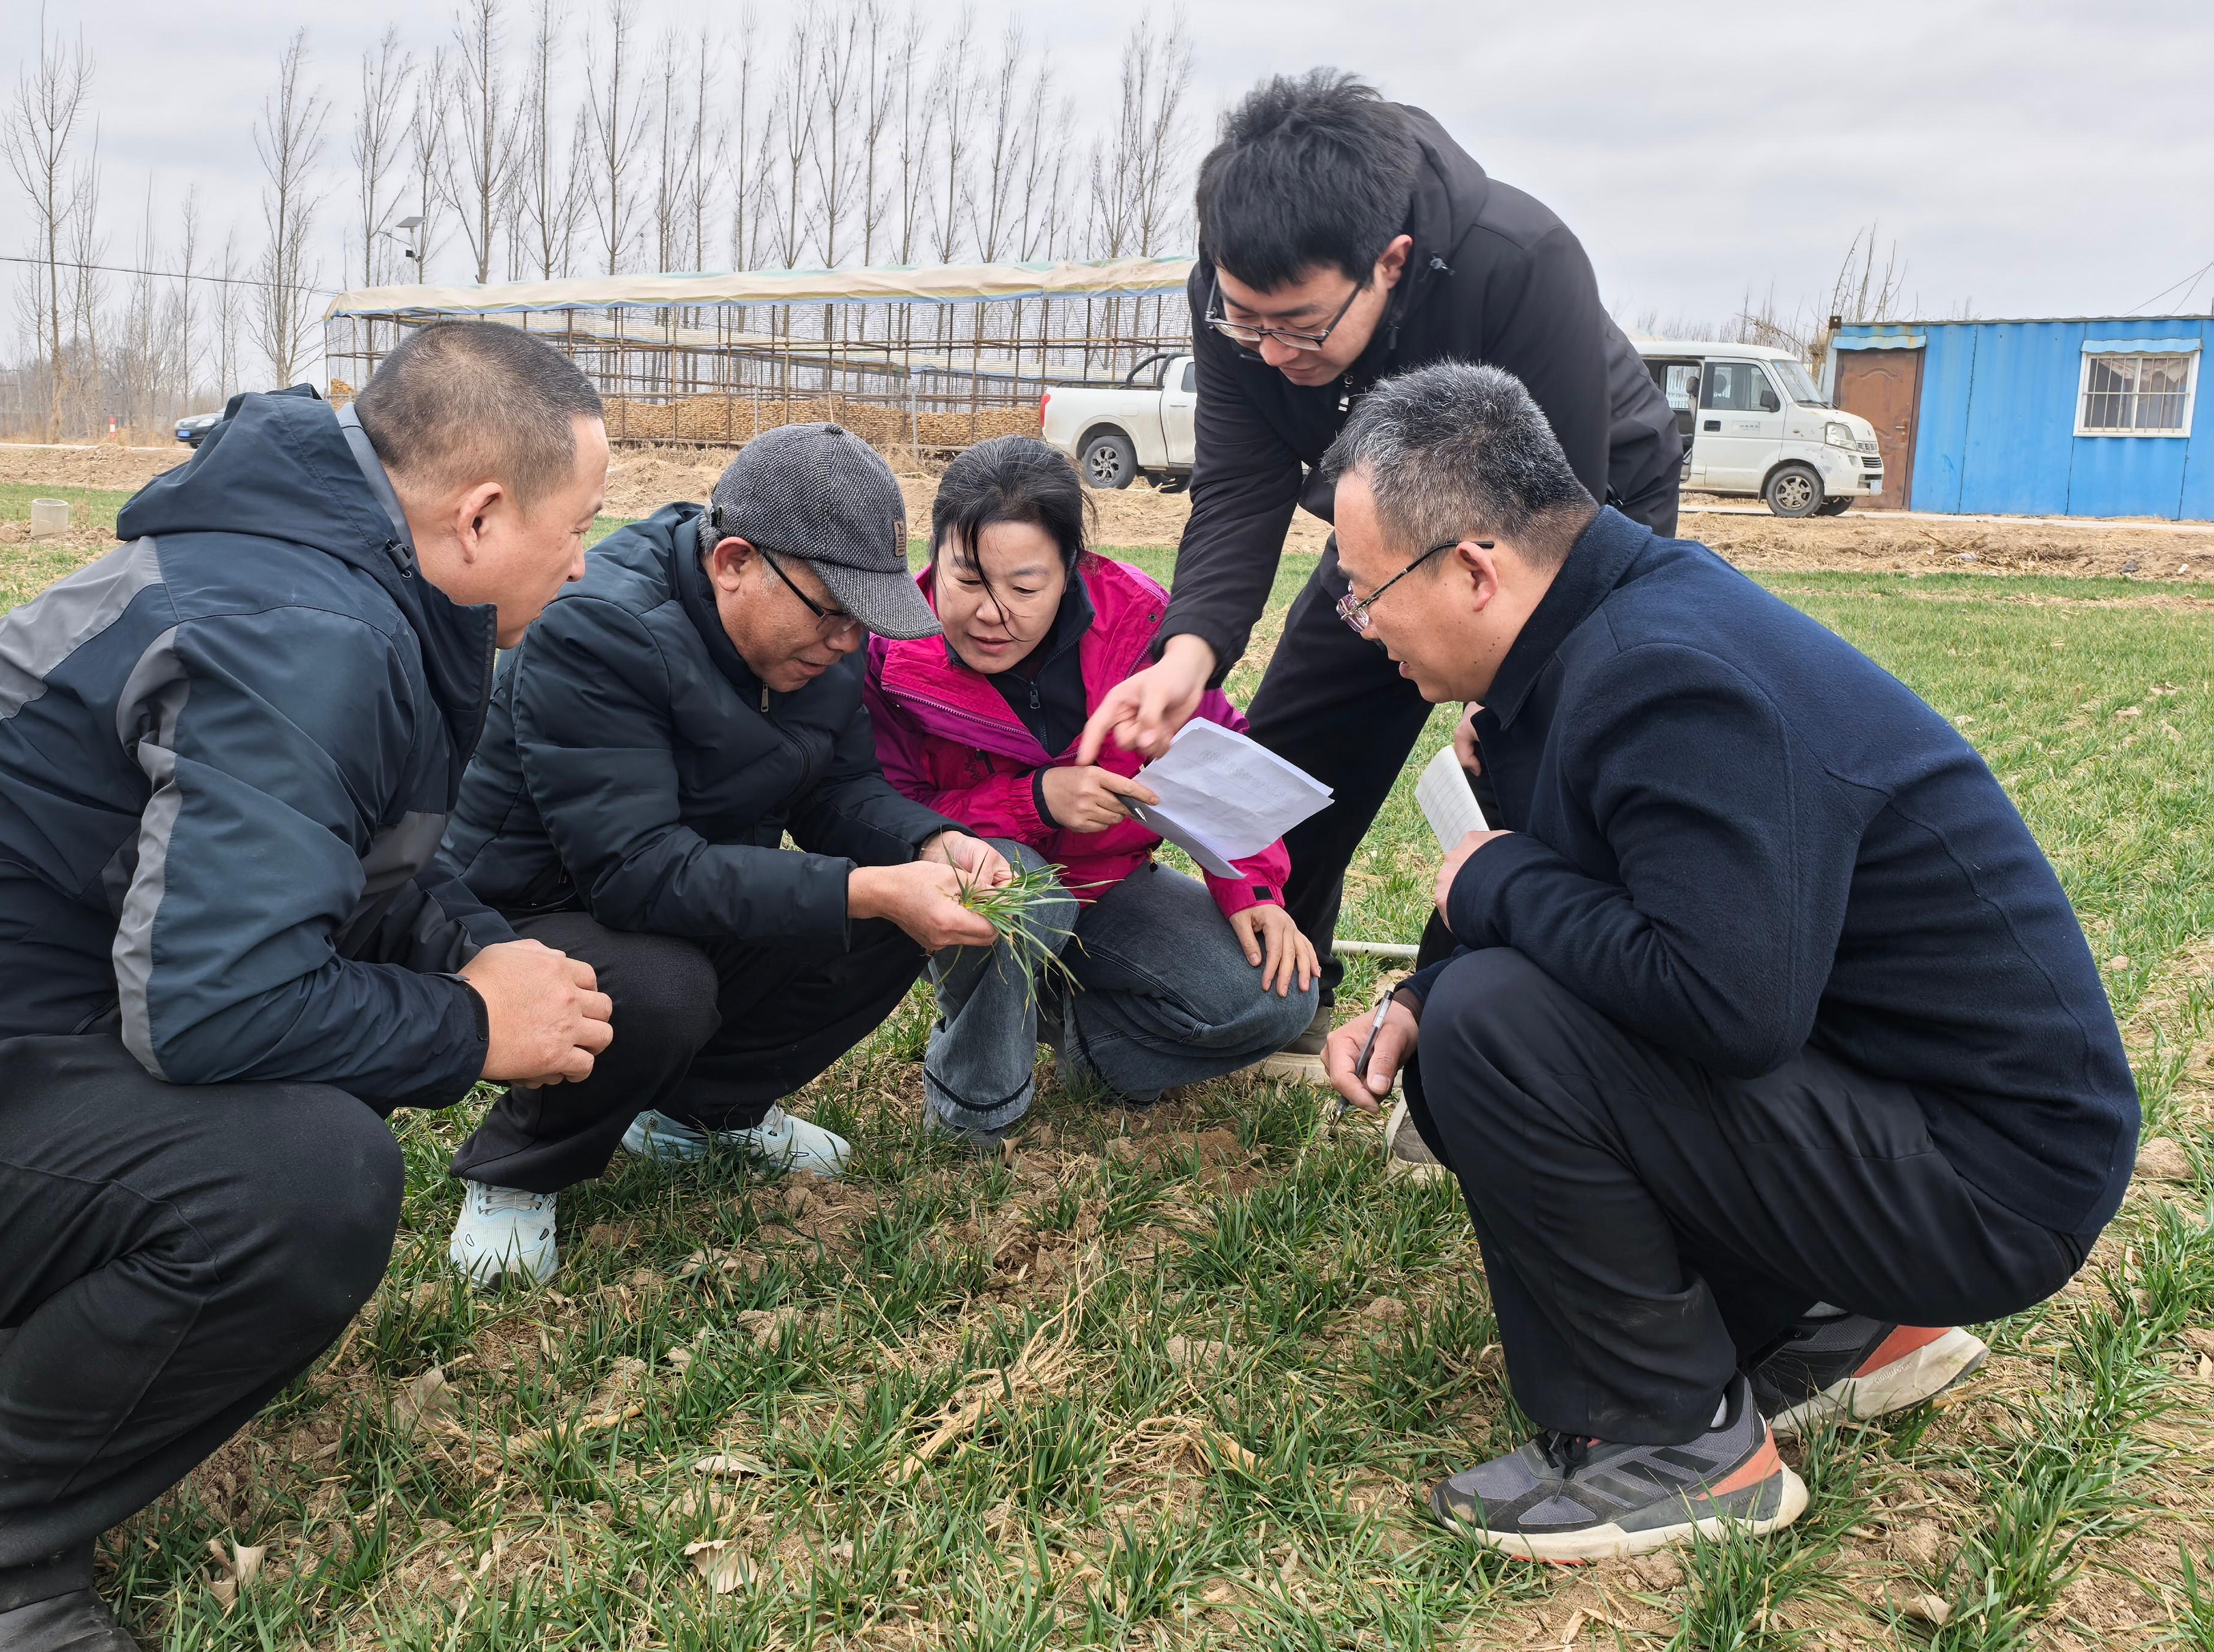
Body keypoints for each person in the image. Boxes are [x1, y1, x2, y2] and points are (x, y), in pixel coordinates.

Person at [0, 322, 617, 1649]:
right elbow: (213, 1004)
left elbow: (336, 865)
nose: (584, 560)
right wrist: (473, 1024)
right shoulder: (301, 628)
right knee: (306, 1176)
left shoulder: (311, 579)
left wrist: (471, 949)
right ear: (481, 517)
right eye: (580, 523)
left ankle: (70, 1349)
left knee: (287, 1133)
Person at [1319, 362, 2137, 1561]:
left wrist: (1486, 890)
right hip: (1909, 1110)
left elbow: (1724, 1003)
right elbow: (1630, 913)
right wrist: (1417, 993)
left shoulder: (1663, 672)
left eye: (1360, 594)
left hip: (1992, 1183)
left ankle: (1673, 1440)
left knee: (1496, 1024)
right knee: (1465, 1014)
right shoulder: (1594, 640)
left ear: (1472, 569)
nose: (1361, 626)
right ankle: (1836, 1326)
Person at [1076, 71, 1684, 1083]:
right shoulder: (1238, 298)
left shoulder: (1519, 264)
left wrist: (1509, 687)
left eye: (1302, 327)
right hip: (1385, 513)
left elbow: (1556, 527)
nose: (1269, 352)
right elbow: (1238, 485)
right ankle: (1279, 1004)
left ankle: (1468, 1046)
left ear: (1389, 264)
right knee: (1289, 749)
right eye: (1245, 323)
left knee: (1531, 768)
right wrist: (1188, 657)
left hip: (1579, 500)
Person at [437, 422, 1013, 1284]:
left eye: (865, 618)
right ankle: (518, 1169)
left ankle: (701, 1113)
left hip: (686, 883)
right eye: (831, 611)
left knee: (904, 916)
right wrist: (868, 885)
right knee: (660, 988)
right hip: (530, 905)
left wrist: (925, 842)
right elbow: (637, 873)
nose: (849, 643)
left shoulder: (823, 645)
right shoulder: (601, 631)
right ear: (733, 559)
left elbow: (834, 792)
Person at [864, 436, 1318, 1149]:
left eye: (1023, 587)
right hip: (991, 884)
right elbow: (887, 810)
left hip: (1112, 889)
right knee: (1023, 890)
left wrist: (1254, 889)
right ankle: (973, 1114)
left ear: (1069, 569)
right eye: (968, 579)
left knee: (1278, 1000)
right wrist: (1037, 800)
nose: (991, 612)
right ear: (934, 555)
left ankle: (1081, 1037)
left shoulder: (1140, 623)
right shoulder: (894, 655)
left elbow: (1215, 758)